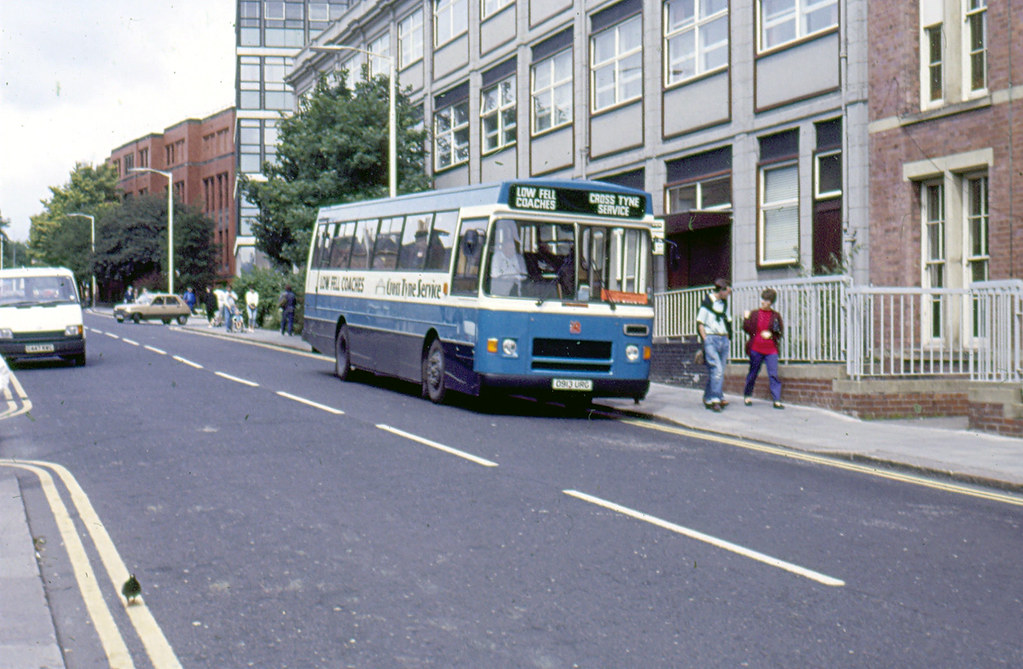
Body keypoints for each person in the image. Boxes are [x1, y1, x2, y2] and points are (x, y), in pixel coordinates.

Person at [742, 288, 785, 409]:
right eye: (763, 299)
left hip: (771, 350)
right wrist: (746, 318)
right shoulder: (755, 314)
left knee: (773, 374)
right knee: (753, 373)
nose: (763, 302)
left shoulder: (775, 316)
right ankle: (747, 395)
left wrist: (771, 334)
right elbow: (747, 329)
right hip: (756, 348)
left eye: (766, 300)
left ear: (771, 302)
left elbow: (779, 331)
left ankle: (777, 400)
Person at [696, 278, 733, 412]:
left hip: (723, 339)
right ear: (721, 290)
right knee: (717, 369)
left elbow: (727, 321)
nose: (729, 294)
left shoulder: (724, 304)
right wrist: (706, 339)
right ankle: (716, 400)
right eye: (727, 291)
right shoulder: (707, 303)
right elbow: (700, 323)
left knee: (718, 371)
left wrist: (727, 337)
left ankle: (708, 396)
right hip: (711, 339)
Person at [490, 225, 527, 296]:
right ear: (503, 248)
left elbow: (524, 274)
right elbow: (496, 274)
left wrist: (510, 276)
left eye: (513, 248)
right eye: (509, 248)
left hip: (518, 289)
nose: (511, 250)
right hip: (500, 290)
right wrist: (514, 277)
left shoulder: (519, 258)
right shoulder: (497, 257)